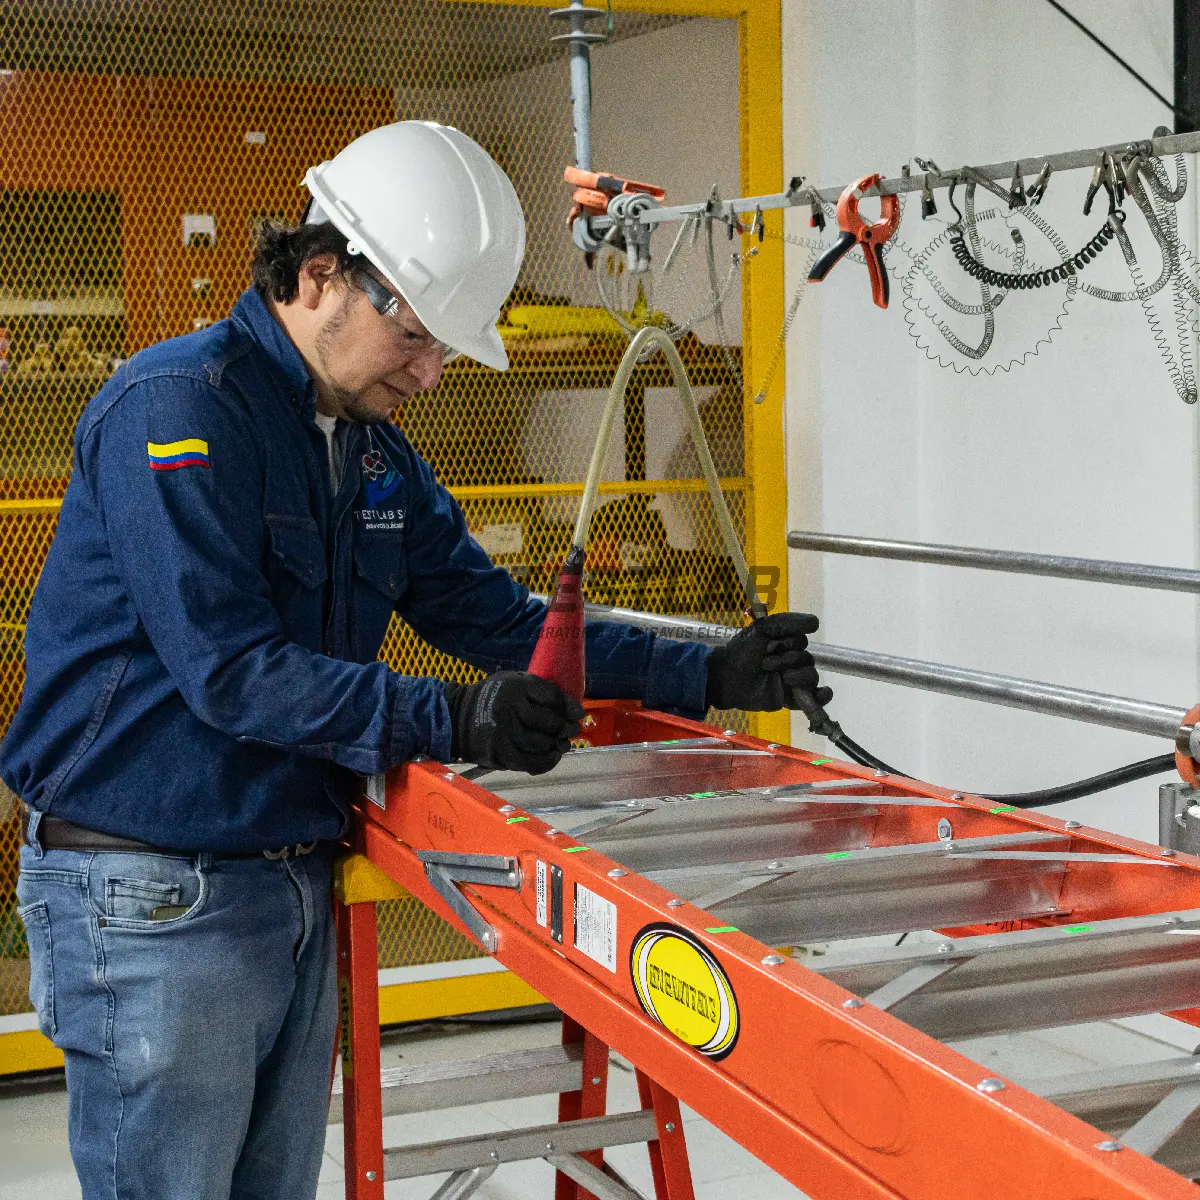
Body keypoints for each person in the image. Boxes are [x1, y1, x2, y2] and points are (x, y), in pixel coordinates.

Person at [3, 121, 831, 1200]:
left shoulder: (372, 455)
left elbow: (493, 616)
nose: (434, 373)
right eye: (419, 338)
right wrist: (455, 719)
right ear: (320, 275)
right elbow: (231, 670)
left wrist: (708, 673)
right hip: (154, 890)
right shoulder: (177, 416)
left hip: (287, 878)